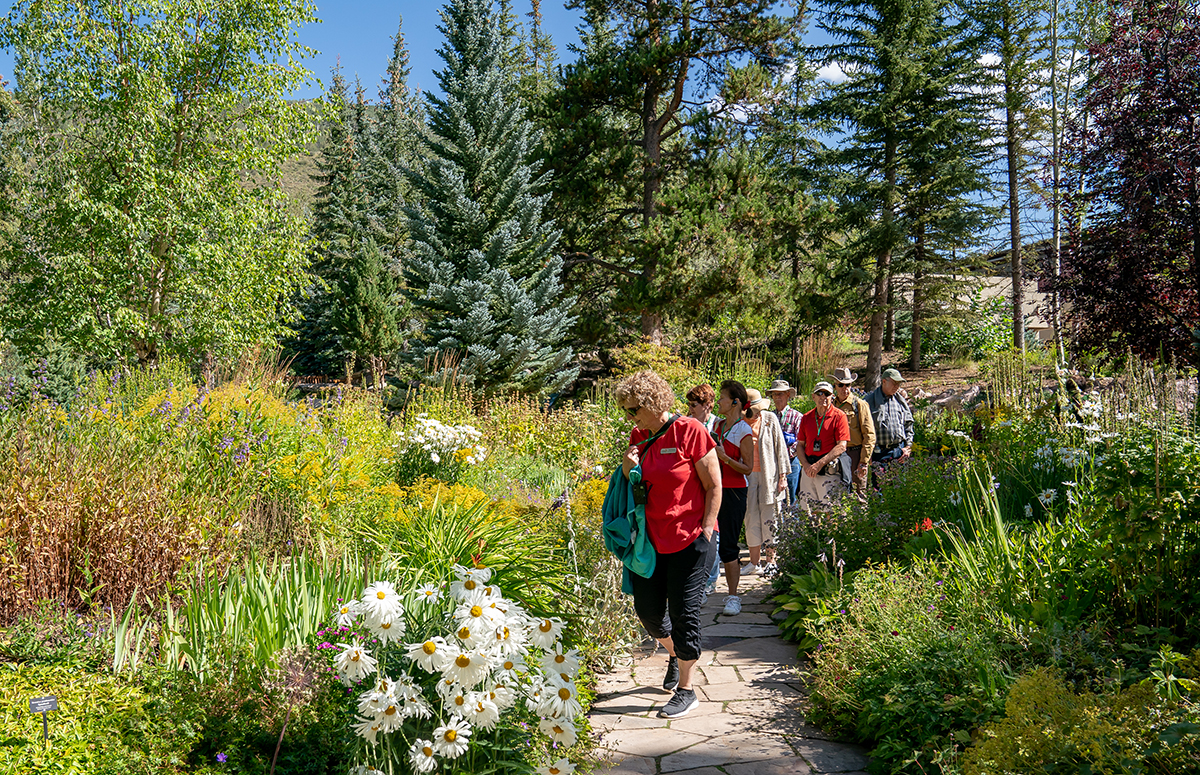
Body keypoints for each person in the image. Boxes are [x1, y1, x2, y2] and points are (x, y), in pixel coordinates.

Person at [616, 370, 721, 719]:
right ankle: (675, 652)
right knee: (647, 612)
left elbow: (714, 485)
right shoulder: (638, 436)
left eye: (633, 409)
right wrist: (628, 468)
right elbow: (636, 492)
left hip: (690, 539)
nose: (629, 417)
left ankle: (687, 689)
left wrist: (707, 529)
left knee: (684, 613)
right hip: (651, 541)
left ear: (651, 403)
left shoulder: (689, 430)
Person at [711, 380, 754, 617]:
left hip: (734, 491)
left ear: (735, 402)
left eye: (722, 397)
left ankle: (733, 597)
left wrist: (725, 458)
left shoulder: (743, 430)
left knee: (728, 544)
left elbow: (748, 468)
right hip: (713, 488)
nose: (718, 401)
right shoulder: (717, 425)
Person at [742, 388, 790, 576]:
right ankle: (754, 563)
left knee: (770, 517)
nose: (759, 411)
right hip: (746, 476)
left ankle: (771, 561)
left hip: (769, 474)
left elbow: (781, 447)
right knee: (751, 517)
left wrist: (783, 476)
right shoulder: (738, 422)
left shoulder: (770, 419)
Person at [686, 383, 721, 596]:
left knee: (714, 530)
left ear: (708, 405)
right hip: (695, 487)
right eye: (689, 404)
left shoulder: (717, 425)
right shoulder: (686, 425)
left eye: (694, 405)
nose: (690, 409)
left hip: (717, 484)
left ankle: (710, 580)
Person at [796, 382, 850, 507]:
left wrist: (819, 465)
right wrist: (806, 465)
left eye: (827, 394)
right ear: (813, 396)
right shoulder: (806, 417)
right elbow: (800, 445)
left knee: (831, 513)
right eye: (819, 393)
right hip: (809, 470)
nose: (823, 397)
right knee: (809, 511)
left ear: (832, 396)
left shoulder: (839, 416)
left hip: (828, 470)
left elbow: (842, 446)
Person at [829, 367, 876, 499]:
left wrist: (864, 461)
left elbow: (869, 435)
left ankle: (861, 520)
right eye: (841, 385)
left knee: (859, 495)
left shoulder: (859, 405)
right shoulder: (831, 405)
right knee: (837, 495)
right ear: (835, 386)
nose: (845, 388)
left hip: (855, 454)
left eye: (848, 385)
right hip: (836, 455)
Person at [865, 368, 914, 473]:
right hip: (879, 453)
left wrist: (908, 447)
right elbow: (862, 429)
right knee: (879, 487)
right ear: (884, 381)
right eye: (894, 383)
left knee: (900, 487)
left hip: (900, 452)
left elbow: (908, 424)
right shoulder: (869, 401)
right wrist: (866, 454)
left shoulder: (900, 401)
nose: (897, 387)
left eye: (899, 384)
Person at [767, 379, 803, 507]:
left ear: (788, 395)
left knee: (790, 498)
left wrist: (782, 455)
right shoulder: (768, 416)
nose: (777, 397)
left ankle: (792, 525)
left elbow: (799, 441)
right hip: (771, 463)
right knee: (774, 498)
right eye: (775, 394)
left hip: (791, 463)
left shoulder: (797, 416)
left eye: (780, 394)